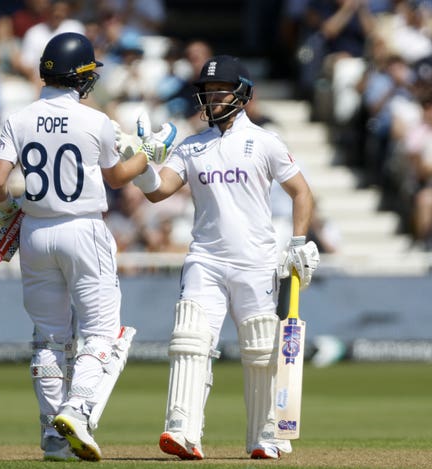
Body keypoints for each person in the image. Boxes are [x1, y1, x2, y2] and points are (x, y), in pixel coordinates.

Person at [0, 31, 176, 462]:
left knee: (49, 339)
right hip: (83, 229)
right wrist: (149, 151)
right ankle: (78, 408)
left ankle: (54, 438)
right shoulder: (96, 121)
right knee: (100, 332)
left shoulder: (18, 118)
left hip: (35, 232)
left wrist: (5, 213)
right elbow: (117, 177)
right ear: (82, 77)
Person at [119, 55, 320, 460]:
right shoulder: (193, 146)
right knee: (190, 340)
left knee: (262, 350)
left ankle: (266, 434)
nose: (210, 98)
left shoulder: (265, 142)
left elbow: (302, 192)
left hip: (257, 261)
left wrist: (298, 242)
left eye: (219, 91)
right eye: (206, 91)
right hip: (205, 260)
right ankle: (182, 430)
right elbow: (159, 191)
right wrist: (141, 161)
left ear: (242, 94)